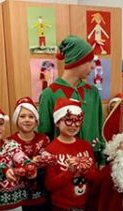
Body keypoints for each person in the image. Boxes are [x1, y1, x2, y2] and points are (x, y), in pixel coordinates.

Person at [44, 98, 97, 211]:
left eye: (77, 121)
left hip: (84, 207)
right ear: (58, 122)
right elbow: (49, 184)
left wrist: (85, 170)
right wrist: (69, 173)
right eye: (68, 121)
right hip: (61, 210)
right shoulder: (51, 150)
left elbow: (95, 178)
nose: (73, 125)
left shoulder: (85, 146)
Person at [38, 35, 104, 164]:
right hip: (62, 163)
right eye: (90, 61)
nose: (92, 66)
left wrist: (102, 160)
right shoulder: (50, 94)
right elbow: (44, 134)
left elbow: (99, 127)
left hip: (92, 160)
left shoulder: (92, 92)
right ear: (78, 62)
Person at [8, 96, 50, 211]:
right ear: (16, 119)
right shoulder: (9, 142)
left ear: (36, 120)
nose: (27, 120)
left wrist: (41, 162)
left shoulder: (44, 139)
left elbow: (48, 163)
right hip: (19, 200)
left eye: (31, 116)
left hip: (41, 198)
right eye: (22, 116)